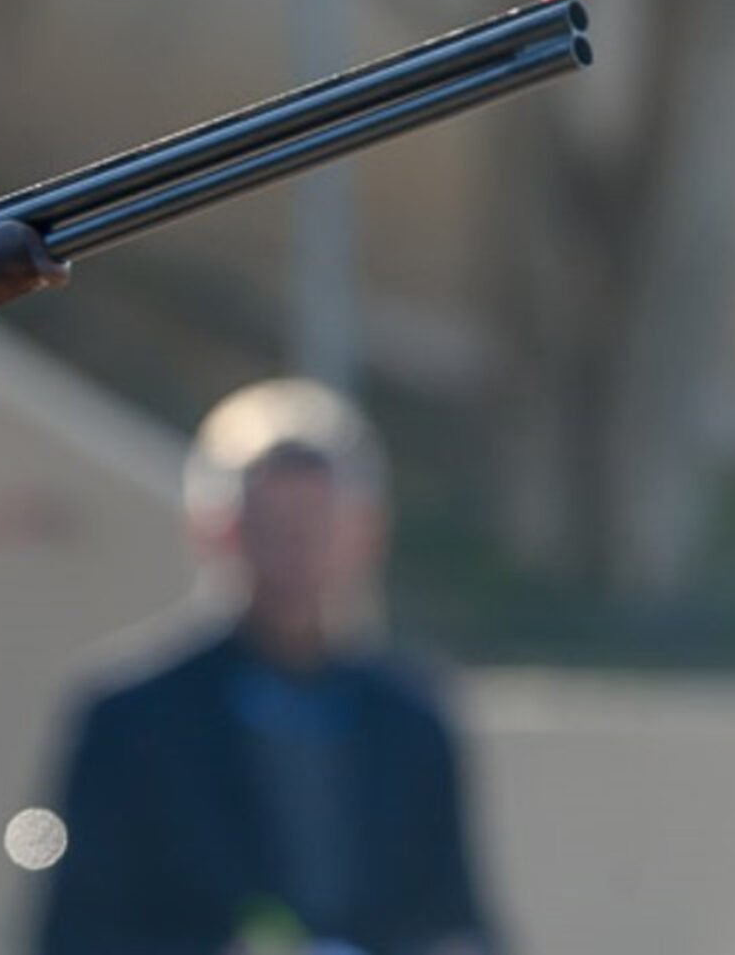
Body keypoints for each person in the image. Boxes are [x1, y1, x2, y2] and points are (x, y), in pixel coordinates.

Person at [36, 379, 493, 955]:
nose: (294, 551)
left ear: (363, 534)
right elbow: (76, 934)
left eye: (315, 525)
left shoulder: (413, 719)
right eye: (271, 525)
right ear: (215, 530)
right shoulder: (130, 718)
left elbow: (458, 922)